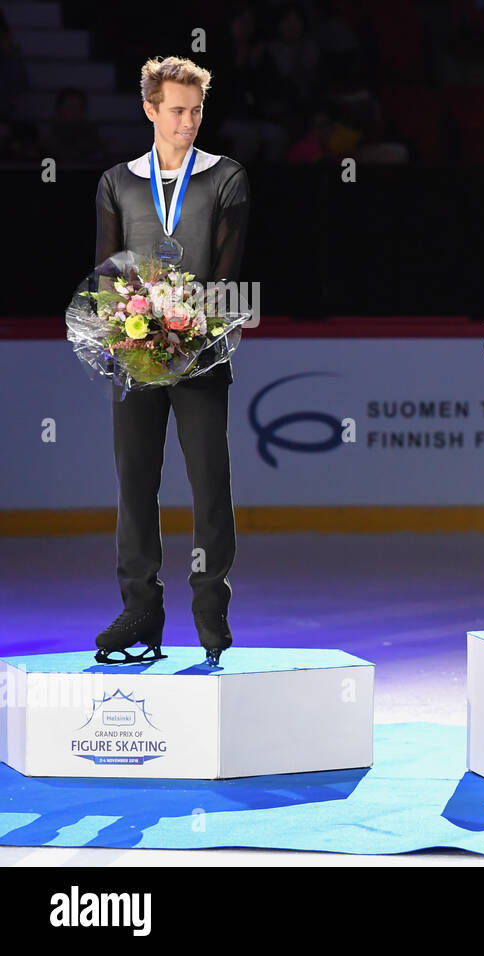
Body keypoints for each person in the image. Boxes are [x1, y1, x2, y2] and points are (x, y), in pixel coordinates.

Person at [92, 56, 251, 666]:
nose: (188, 122)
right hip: (133, 356)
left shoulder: (226, 177)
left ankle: (210, 603)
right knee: (136, 485)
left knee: (210, 482)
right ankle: (140, 608)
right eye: (177, 110)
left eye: (196, 111)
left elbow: (227, 273)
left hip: (201, 352)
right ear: (150, 110)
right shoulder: (117, 181)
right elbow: (107, 272)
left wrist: (188, 326)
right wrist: (126, 332)